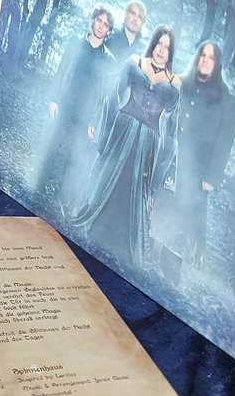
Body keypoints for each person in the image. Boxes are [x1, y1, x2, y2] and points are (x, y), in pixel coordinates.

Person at [71, 24, 180, 270]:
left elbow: (173, 134)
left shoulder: (175, 84)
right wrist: (99, 125)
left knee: (135, 188)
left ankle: (122, 243)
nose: (161, 50)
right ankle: (98, 230)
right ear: (154, 44)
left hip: (148, 144)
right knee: (109, 177)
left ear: (171, 53)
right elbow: (112, 97)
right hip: (122, 131)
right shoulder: (135, 62)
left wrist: (171, 169)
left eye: (167, 47)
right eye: (159, 44)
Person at [160, 41, 235, 269]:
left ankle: (171, 270)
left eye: (211, 57)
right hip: (172, 160)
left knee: (186, 221)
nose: (205, 60)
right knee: (162, 211)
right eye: (203, 55)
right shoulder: (181, 84)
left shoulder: (224, 98)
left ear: (217, 64)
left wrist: (212, 176)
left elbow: (224, 141)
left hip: (199, 171)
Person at [38, 6, 116, 215]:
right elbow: (62, 71)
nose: (101, 26)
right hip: (65, 104)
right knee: (54, 147)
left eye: (105, 24)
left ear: (109, 31)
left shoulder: (108, 60)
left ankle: (57, 203)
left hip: (85, 114)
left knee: (73, 156)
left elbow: (104, 96)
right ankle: (39, 190)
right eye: (99, 20)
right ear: (93, 21)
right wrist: (54, 99)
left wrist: (94, 122)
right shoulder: (76, 43)